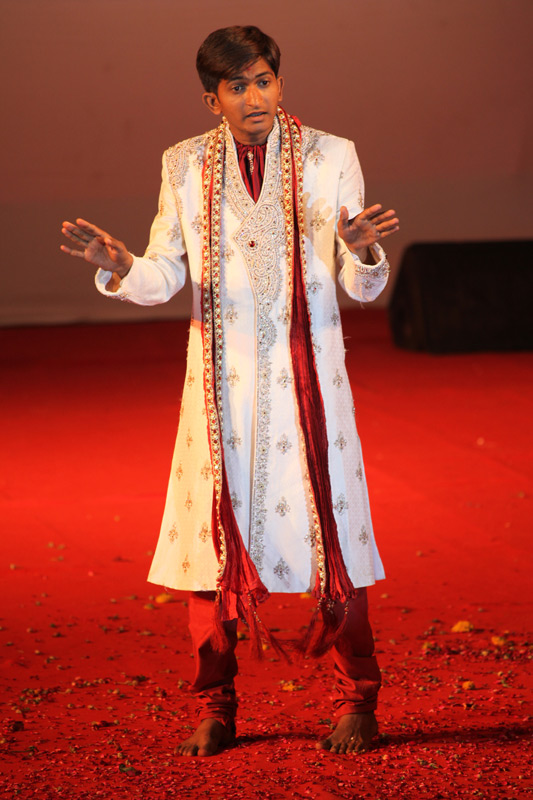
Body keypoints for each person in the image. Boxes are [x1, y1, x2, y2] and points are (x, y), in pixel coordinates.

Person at [61, 25, 400, 758]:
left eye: (264, 81)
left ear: (280, 82)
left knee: (334, 538)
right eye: (237, 86)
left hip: (312, 383)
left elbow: (361, 286)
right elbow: (163, 274)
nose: (255, 98)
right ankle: (215, 706)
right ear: (211, 99)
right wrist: (121, 265)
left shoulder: (331, 155)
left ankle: (358, 700)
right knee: (208, 550)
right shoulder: (183, 163)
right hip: (219, 389)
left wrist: (364, 250)